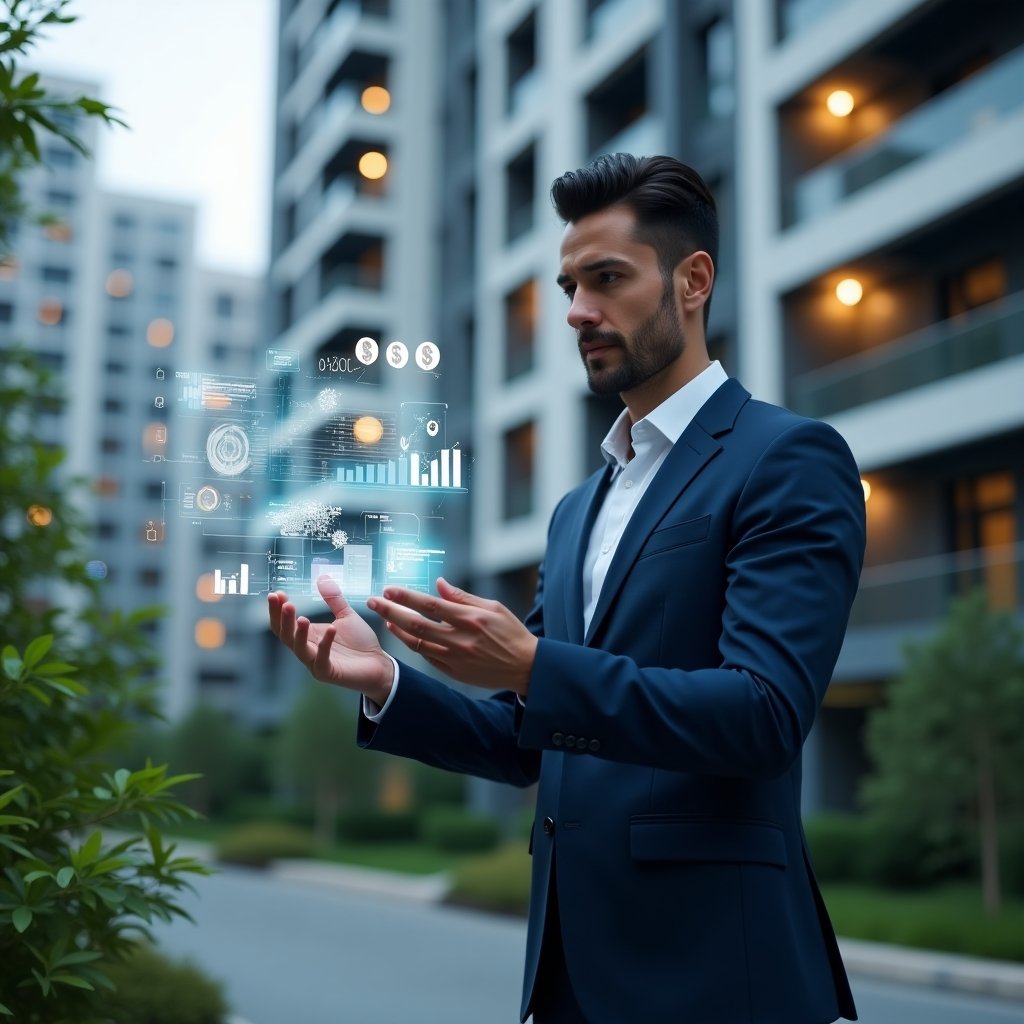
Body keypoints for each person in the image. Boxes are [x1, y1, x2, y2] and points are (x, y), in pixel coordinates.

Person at [268, 153, 865, 1024]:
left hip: (717, 979)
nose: (580, 311)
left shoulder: (786, 459)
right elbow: (526, 738)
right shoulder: (576, 510)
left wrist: (536, 664)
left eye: (608, 279)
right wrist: (388, 685)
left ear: (692, 281)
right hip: (568, 979)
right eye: (569, 286)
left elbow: (765, 714)